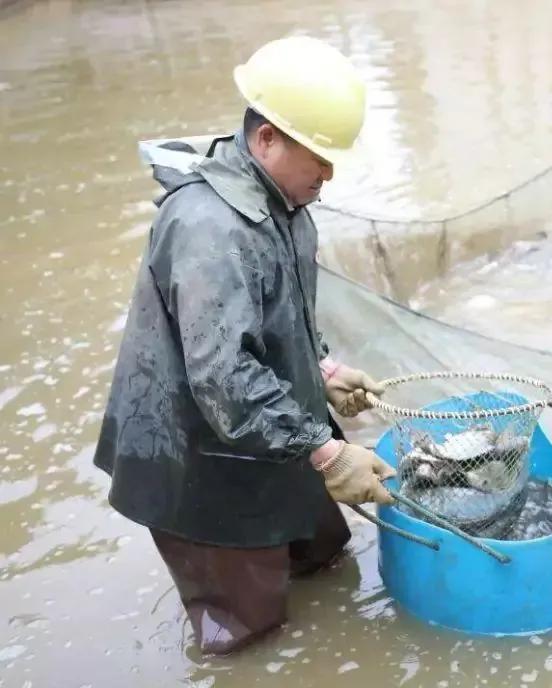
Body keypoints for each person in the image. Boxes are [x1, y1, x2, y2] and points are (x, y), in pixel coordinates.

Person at [93, 36, 396, 654]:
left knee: (325, 556)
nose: (329, 174)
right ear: (266, 141)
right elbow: (225, 379)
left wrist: (323, 366)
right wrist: (327, 453)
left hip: (271, 430)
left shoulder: (286, 198)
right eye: (320, 157)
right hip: (196, 459)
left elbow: (280, 314)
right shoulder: (208, 228)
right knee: (248, 630)